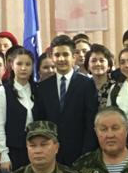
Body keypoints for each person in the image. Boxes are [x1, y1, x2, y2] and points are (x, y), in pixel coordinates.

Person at [33, 36, 99, 165]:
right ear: (52, 57)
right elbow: (41, 121)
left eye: (65, 54)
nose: (61, 59)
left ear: (73, 57)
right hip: (51, 154)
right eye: (57, 55)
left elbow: (91, 121)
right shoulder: (43, 87)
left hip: (80, 153)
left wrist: (87, 154)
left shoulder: (87, 84)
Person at [0, 47, 38, 171]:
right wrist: (3, 155)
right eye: (19, 64)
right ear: (12, 66)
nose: (23, 68)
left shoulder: (38, 89)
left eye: (28, 64)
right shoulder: (2, 91)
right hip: (13, 151)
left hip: (36, 149)